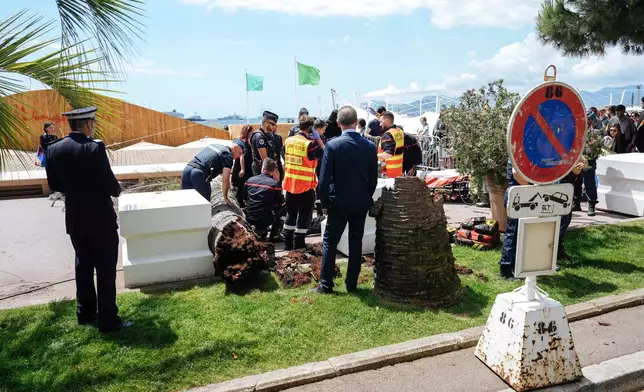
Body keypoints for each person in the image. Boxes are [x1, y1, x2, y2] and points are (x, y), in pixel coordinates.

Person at [44, 107, 131, 333]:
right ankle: (108, 319)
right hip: (100, 218)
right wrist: (117, 188)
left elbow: (55, 185)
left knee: (83, 266)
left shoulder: (53, 149)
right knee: (105, 269)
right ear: (89, 124)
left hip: (75, 217)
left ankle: (85, 313)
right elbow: (111, 186)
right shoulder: (94, 148)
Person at [314, 106, 378, 294]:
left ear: (338, 123)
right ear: (356, 123)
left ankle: (326, 285)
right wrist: (366, 197)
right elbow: (373, 179)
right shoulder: (370, 146)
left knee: (330, 242)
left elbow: (324, 180)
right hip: (359, 201)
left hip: (338, 201)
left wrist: (325, 203)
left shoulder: (333, 146)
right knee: (355, 242)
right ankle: (352, 284)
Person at [499, 158, 583, 279]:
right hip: (521, 195)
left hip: (531, 195)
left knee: (534, 233)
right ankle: (506, 268)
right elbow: (516, 173)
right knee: (514, 233)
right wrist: (535, 191)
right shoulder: (519, 151)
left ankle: (532, 265)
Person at [282, 115, 323, 250]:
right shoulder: (309, 145)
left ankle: (288, 243)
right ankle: (298, 244)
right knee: (304, 216)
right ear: (310, 128)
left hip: (290, 184)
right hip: (305, 187)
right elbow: (323, 153)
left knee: (291, 214)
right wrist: (318, 139)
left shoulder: (288, 141)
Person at [180, 139, 245, 202]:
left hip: (187, 169)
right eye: (240, 153)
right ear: (235, 148)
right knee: (204, 204)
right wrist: (225, 197)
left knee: (185, 202)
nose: (239, 156)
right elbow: (225, 180)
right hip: (198, 174)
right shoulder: (228, 156)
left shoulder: (214, 145)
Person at [244, 158, 286, 241]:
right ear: (274, 170)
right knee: (285, 208)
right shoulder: (274, 184)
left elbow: (244, 197)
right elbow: (281, 204)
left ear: (262, 168)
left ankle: (257, 230)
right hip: (266, 218)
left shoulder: (249, 181)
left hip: (249, 216)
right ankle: (275, 235)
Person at [377, 111, 405, 178]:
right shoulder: (399, 131)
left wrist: (373, 156)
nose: (380, 124)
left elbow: (388, 154)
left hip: (388, 173)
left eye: (381, 122)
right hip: (398, 171)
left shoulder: (388, 134)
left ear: (386, 121)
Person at [232, 125, 254, 207]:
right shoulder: (245, 142)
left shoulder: (240, 140)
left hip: (243, 165)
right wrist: (243, 169)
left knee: (241, 186)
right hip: (245, 165)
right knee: (243, 185)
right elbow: (242, 156)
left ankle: (242, 203)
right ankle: (242, 204)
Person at [250, 111, 279, 176]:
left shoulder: (267, 135)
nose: (274, 127)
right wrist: (275, 174)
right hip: (262, 170)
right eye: (273, 124)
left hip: (269, 169)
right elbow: (264, 158)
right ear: (266, 123)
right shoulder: (259, 136)